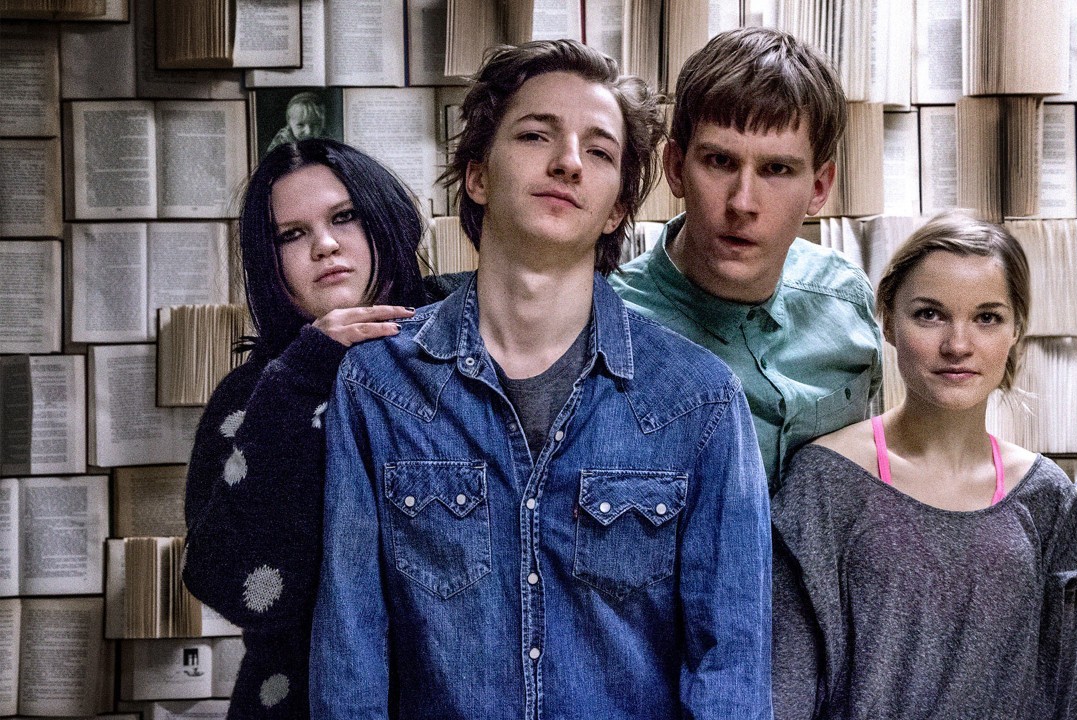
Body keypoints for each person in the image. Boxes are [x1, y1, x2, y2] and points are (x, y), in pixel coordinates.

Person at [310, 39, 772, 719]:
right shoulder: (380, 384)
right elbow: (351, 650)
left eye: (600, 151)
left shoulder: (698, 400)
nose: (568, 162)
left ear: (616, 210)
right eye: (535, 135)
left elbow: (730, 670)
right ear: (477, 176)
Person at [771, 213, 1077, 719]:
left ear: (1016, 329)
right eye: (929, 314)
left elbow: (1063, 697)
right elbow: (786, 690)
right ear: (888, 321)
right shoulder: (825, 481)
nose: (958, 345)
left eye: (987, 318)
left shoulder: (1046, 497)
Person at [183, 138, 446, 718]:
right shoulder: (253, 395)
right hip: (292, 698)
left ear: (388, 219)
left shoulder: (468, 341)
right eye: (292, 234)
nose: (324, 245)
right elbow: (227, 580)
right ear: (270, 261)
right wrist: (301, 377)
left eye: (344, 217)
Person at [611, 27, 882, 492]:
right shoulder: (608, 324)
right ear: (675, 168)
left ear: (819, 188)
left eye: (776, 169)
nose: (742, 203)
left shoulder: (846, 300)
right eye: (720, 161)